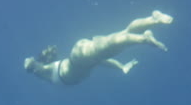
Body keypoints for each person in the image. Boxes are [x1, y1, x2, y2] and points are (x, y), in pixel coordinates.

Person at [24, 10, 173, 86]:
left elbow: (33, 66)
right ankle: (152, 20)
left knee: (112, 43)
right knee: (122, 35)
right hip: (86, 57)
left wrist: (30, 62)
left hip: (79, 56)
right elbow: (103, 62)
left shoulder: (47, 71)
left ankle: (143, 39)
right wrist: (121, 67)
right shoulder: (52, 69)